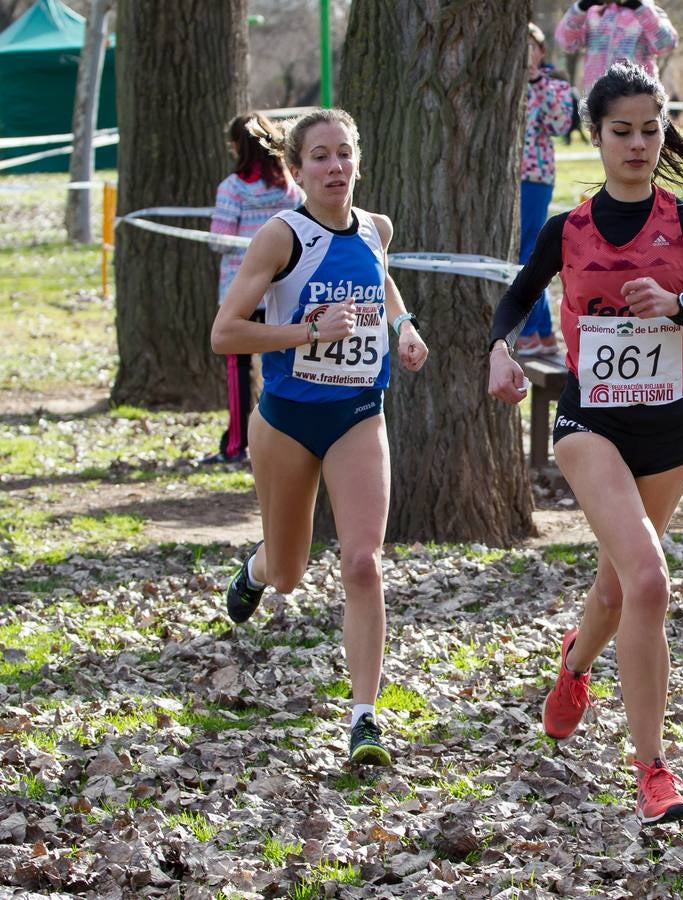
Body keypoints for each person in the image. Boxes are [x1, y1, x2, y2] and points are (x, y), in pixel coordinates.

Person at [486, 62, 683, 825]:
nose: (638, 143)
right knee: (649, 582)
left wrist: (682, 309)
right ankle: (653, 772)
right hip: (589, 425)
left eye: (650, 128)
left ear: (664, 128)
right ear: (594, 136)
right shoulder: (565, 229)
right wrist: (499, 348)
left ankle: (574, 665)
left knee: (614, 591)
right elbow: (513, 297)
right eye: (621, 131)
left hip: (669, 437)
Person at [210, 109, 429, 766]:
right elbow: (225, 333)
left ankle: (364, 719)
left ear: (358, 160)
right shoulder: (281, 237)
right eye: (320, 158)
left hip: (360, 413)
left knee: (362, 562)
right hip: (286, 422)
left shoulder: (375, 228)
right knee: (288, 575)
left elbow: (379, 278)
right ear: (297, 169)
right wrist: (309, 332)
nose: (335, 168)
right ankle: (257, 567)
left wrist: (403, 327)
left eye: (344, 155)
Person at [204, 112, 303, 464]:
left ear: (238, 147)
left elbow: (219, 240)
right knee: (284, 366)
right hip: (282, 293)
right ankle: (285, 440)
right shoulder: (292, 188)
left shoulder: (232, 188)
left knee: (237, 368)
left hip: (240, 295)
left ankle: (235, 446)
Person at [516, 23, 575, 357]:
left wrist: (537, 83)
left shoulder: (554, 87)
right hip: (508, 178)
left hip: (534, 177)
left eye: (531, 46)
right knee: (520, 252)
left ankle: (532, 331)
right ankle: (542, 332)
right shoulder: (505, 83)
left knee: (528, 251)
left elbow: (559, 124)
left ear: (540, 51)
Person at [555, 0, 678, 96]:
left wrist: (640, 8)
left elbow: (667, 44)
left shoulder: (649, 11)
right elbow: (566, 43)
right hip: (597, 95)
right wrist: (581, 7)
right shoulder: (591, 13)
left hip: (638, 94)